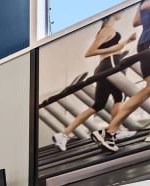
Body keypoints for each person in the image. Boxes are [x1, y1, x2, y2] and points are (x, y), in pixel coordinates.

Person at [53, 13, 136, 151]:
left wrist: (126, 42)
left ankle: (64, 134)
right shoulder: (107, 30)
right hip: (109, 65)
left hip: (105, 66)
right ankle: (115, 130)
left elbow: (108, 48)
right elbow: (90, 52)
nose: (121, 13)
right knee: (119, 97)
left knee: (101, 104)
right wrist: (118, 47)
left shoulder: (106, 29)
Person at [92, 3, 150, 152]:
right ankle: (111, 130)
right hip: (148, 43)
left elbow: (136, 21)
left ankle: (110, 130)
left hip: (144, 42)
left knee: (148, 89)